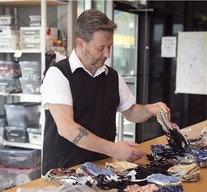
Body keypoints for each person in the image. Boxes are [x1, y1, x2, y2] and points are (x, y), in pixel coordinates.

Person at [40, 9, 170, 175]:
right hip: (63, 173)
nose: (107, 54)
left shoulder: (112, 76)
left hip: (100, 169)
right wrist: (114, 149)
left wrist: (149, 110)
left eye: (109, 47)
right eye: (100, 48)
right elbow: (67, 128)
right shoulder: (58, 74)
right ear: (81, 44)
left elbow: (130, 111)